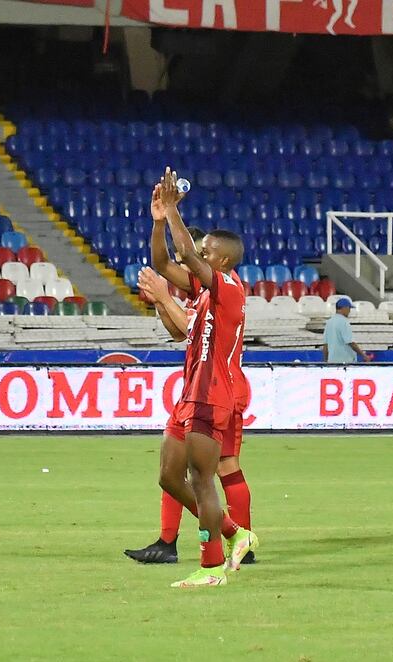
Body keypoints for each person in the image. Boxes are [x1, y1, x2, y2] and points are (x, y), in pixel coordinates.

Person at [144, 169, 257, 588]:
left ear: (222, 260)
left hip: (214, 393)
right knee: (169, 477)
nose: (199, 254)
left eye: (207, 251)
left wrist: (172, 212)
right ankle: (234, 532)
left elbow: (185, 257)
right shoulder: (206, 290)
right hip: (191, 391)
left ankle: (211, 568)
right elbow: (162, 263)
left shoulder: (228, 287)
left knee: (203, 479)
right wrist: (158, 220)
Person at [125, 266, 256, 565]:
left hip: (221, 391)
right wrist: (161, 301)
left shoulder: (222, 288)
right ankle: (173, 541)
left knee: (223, 467)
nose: (183, 276)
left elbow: (190, 329)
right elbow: (177, 333)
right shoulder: (200, 294)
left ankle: (239, 541)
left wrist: (164, 295)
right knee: (178, 468)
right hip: (199, 390)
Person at [323, 298, 372, 363]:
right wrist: (364, 355)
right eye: (349, 308)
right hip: (345, 362)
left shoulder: (329, 322)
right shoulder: (344, 322)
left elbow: (326, 346)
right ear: (344, 308)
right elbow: (351, 343)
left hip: (332, 362)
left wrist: (326, 361)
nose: (349, 311)